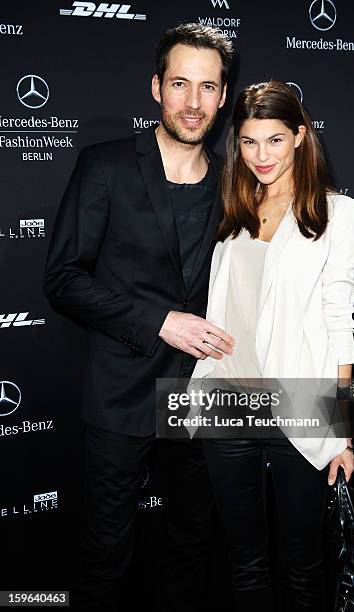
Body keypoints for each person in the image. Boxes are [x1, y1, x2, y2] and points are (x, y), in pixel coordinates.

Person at [43, 23, 234, 612]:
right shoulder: (106, 166)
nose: (193, 103)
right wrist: (159, 320)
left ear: (223, 97)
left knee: (192, 547)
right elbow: (63, 279)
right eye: (180, 84)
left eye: (207, 87)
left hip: (202, 396)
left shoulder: (236, 183)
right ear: (157, 87)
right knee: (106, 555)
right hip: (121, 393)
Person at [190, 80, 354, 611]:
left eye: (273, 140)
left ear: (299, 136)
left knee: (302, 564)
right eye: (248, 142)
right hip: (226, 402)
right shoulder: (232, 207)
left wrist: (342, 430)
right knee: (243, 563)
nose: (260, 156)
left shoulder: (337, 214)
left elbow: (341, 324)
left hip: (298, 407)